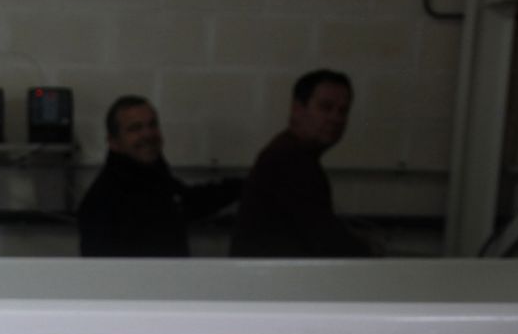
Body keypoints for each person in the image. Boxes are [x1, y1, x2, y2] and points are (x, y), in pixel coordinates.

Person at [230, 69, 376, 257]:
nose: (336, 118)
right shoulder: (290, 160)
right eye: (325, 107)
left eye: (343, 111)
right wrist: (370, 251)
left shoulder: (290, 154)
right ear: (298, 109)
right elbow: (326, 239)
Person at [76, 95, 243, 258]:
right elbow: (104, 271)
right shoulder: (102, 203)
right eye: (135, 128)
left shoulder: (154, 177)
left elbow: (190, 201)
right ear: (113, 142)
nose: (148, 134)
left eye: (152, 125)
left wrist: (244, 187)